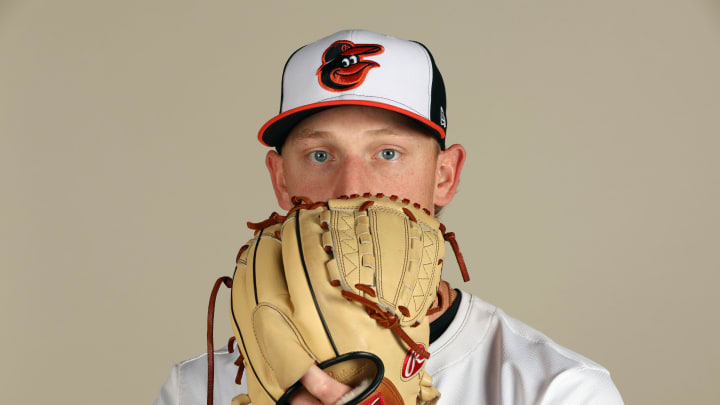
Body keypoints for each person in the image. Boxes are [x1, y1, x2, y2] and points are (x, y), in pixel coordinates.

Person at [155, 30, 623, 405]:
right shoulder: (197, 391)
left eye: (387, 152)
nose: (351, 187)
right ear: (280, 179)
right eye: (320, 154)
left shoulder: (557, 389)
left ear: (444, 175)